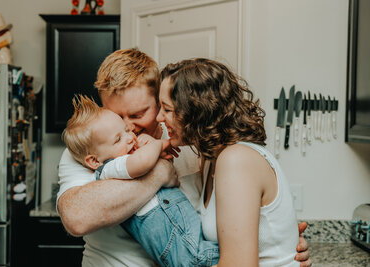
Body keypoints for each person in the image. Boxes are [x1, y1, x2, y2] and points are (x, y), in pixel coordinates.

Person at [57, 48, 312, 267]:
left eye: (137, 114)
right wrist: (160, 173)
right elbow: (77, 219)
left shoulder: (192, 143)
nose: (128, 128)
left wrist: (279, 248)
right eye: (115, 116)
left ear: (159, 102)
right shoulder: (91, 148)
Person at [158, 58, 304, 266]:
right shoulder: (211, 160)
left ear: (196, 111)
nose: (158, 117)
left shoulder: (236, 159)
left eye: (167, 109)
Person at [62, 95, 219, 266]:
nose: (130, 133)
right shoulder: (107, 162)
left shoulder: (184, 136)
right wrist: (159, 149)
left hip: (185, 237)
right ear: (93, 161)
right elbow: (140, 163)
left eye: (137, 115)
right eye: (118, 139)